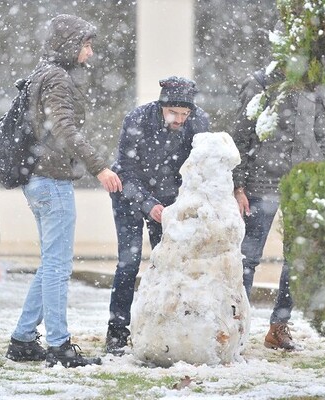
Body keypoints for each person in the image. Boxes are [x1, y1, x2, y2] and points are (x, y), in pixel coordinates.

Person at [5, 14, 122, 368]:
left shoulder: (44, 73)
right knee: (58, 266)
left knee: (51, 263)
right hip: (51, 181)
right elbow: (64, 128)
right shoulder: (56, 78)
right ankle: (59, 346)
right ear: (70, 45)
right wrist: (99, 166)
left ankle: (23, 339)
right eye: (86, 45)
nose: (89, 52)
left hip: (40, 179)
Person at [105, 76, 210, 355]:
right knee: (129, 262)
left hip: (167, 200)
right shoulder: (137, 119)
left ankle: (164, 325)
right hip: (129, 194)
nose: (179, 119)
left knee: (168, 262)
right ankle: (117, 330)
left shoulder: (199, 123)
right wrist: (147, 203)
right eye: (173, 113)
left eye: (184, 114)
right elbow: (125, 170)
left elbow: (199, 168)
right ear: (162, 106)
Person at [231, 66, 325, 351]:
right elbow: (241, 136)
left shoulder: (314, 86)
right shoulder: (260, 84)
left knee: (297, 260)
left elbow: (320, 137)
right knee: (247, 259)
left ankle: (279, 327)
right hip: (261, 185)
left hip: (301, 185)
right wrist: (239, 186)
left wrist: (318, 172)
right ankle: (236, 328)